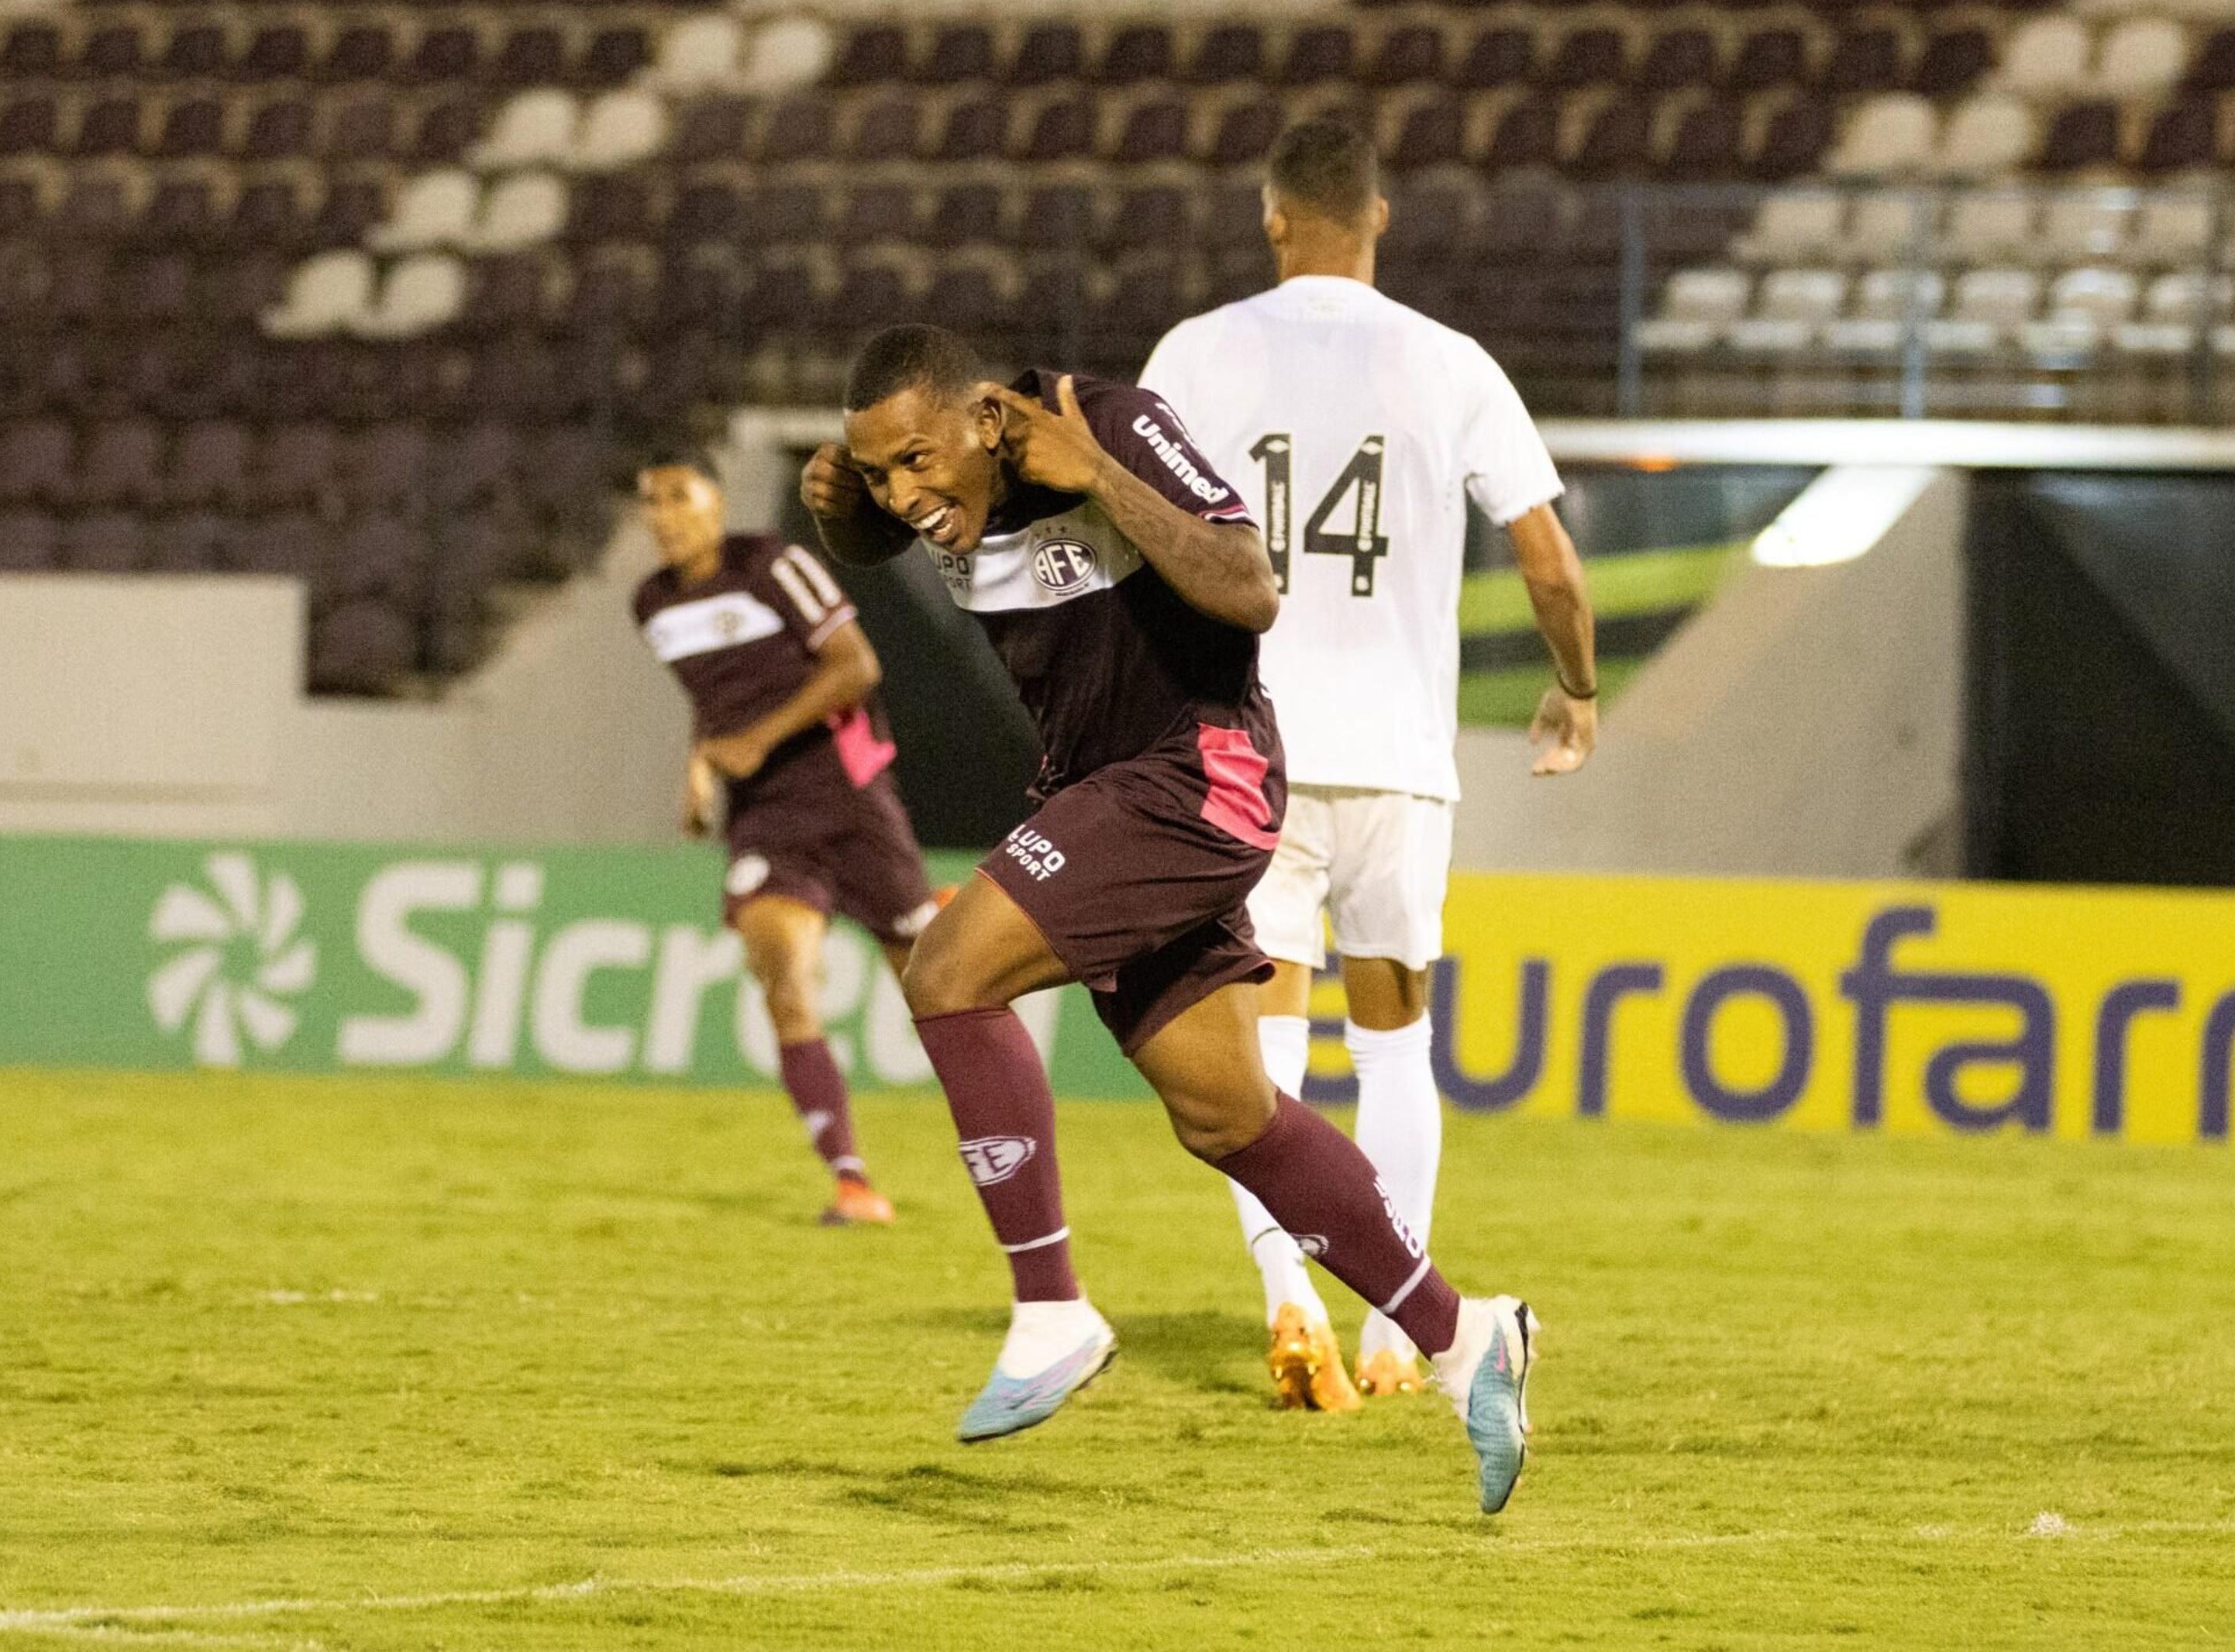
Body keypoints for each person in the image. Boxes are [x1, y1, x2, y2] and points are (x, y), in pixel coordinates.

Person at [804, 323, 1536, 1513]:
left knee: (946, 971)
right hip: (1102, 793)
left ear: (987, 419)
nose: (904, 493)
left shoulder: (1109, 425)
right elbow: (879, 520)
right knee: (1230, 1115)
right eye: (879, 471)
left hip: (1198, 769)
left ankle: (1051, 1309)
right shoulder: (936, 486)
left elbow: (1251, 593)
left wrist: (1097, 476)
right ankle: (1469, 1342)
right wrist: (841, 509)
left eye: (914, 460)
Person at [1141, 117, 1596, 1412]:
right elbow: (1551, 563)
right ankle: (1403, 1331)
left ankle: (1292, 1304)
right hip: (1398, 759)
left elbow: (1139, 530)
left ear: (1274, 217)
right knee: (1395, 1042)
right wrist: (1575, 691)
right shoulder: (1451, 364)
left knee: (1262, 1044)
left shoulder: (1198, 352)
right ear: (1379, 217)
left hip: (1248, 748)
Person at [632, 450, 937, 1227]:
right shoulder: (653, 604)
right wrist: (698, 770)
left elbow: (855, 665)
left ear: (716, 500)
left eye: (679, 496)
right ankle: (851, 1181)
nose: (663, 515)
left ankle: (941, 917)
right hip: (767, 815)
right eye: (650, 502)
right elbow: (713, 698)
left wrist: (757, 741)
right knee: (784, 978)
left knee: (938, 985)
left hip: (848, 793)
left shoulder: (771, 562)